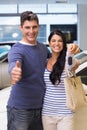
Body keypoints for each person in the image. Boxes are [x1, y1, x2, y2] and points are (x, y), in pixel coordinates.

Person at [7, 11, 80, 130]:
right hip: (21, 109)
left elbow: (61, 62)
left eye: (34, 27)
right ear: (21, 28)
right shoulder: (17, 50)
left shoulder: (42, 48)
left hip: (41, 109)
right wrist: (14, 71)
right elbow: (13, 64)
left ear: (38, 27)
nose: (31, 31)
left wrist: (73, 55)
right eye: (27, 27)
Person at [42, 29, 79, 130]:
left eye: (60, 41)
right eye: (53, 41)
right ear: (49, 43)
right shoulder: (45, 62)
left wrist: (72, 50)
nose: (56, 43)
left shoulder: (68, 61)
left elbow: (73, 62)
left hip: (66, 114)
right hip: (47, 113)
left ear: (64, 43)